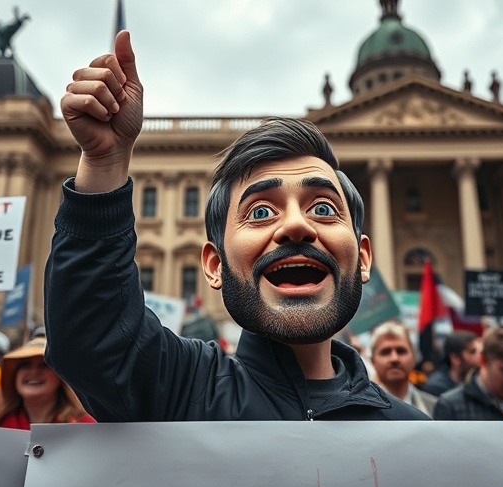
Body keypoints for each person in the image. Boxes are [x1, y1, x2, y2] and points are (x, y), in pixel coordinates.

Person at [44, 31, 427, 422]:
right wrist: (104, 162)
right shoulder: (182, 390)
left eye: (323, 208)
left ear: (364, 258)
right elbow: (94, 338)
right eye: (261, 211)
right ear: (214, 265)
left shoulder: (417, 436)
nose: (296, 225)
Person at [0, 336, 93, 429]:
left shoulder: (84, 426)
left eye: (44, 365)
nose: (34, 372)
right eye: (25, 365)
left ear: (61, 378)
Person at [369, 322, 437, 417]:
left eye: (401, 351)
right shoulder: (360, 410)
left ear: (413, 358)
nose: (394, 358)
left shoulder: (434, 407)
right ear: (373, 361)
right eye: (385, 352)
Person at [420, 331, 480, 396]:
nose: (479, 356)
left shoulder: (479, 382)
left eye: (480, 351)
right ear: (455, 358)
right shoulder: (436, 387)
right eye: (472, 352)